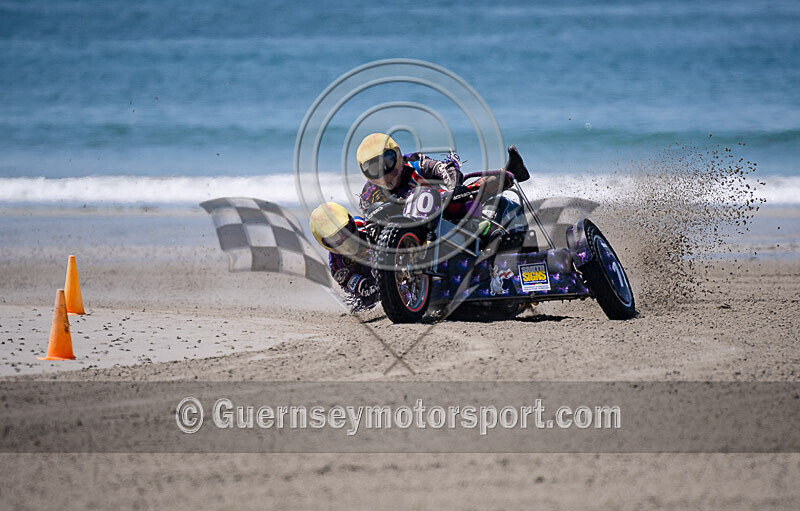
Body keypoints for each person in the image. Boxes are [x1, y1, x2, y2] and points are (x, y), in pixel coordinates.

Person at [310, 133, 512, 310]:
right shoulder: (368, 197)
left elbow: (445, 169)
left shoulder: (416, 163)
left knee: (472, 191)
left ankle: (507, 181)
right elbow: (362, 286)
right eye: (375, 169)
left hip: (443, 210)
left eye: (387, 162)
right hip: (408, 238)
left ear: (397, 154)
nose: (385, 172)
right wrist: (381, 283)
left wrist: (453, 187)